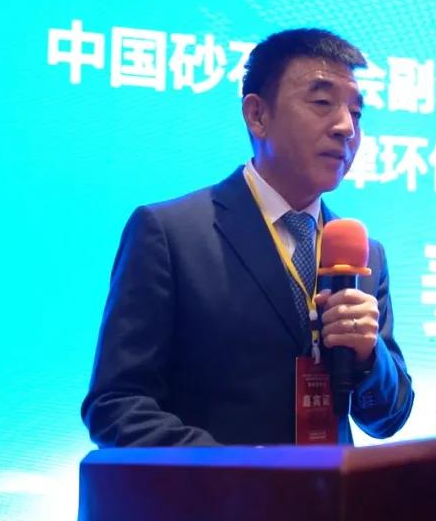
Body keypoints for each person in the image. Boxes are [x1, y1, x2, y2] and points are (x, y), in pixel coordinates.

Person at [81, 28, 414, 447]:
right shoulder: (169, 234)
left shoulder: (363, 255)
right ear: (257, 115)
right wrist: (238, 473)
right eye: (322, 103)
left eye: (357, 112)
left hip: (333, 487)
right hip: (217, 489)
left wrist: (368, 357)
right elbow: (116, 405)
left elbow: (388, 418)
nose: (346, 127)